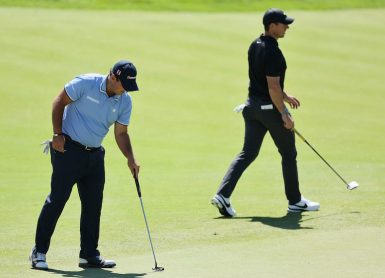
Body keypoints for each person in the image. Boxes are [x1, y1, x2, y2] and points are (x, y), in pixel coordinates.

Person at [29, 60, 141, 270]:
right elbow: (59, 101)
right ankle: (39, 251)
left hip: (95, 156)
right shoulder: (86, 83)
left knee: (93, 206)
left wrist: (130, 158)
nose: (126, 90)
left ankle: (88, 254)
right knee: (58, 200)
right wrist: (57, 134)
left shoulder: (125, 101)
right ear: (113, 76)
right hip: (68, 150)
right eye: (123, 84)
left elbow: (121, 133)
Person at [211, 8, 320, 217]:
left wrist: (285, 95)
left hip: (251, 107)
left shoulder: (255, 44)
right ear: (272, 26)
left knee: (248, 153)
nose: (287, 27)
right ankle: (295, 201)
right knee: (289, 153)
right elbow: (272, 87)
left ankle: (222, 195)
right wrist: (284, 112)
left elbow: (265, 81)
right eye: (283, 24)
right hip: (269, 110)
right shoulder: (274, 52)